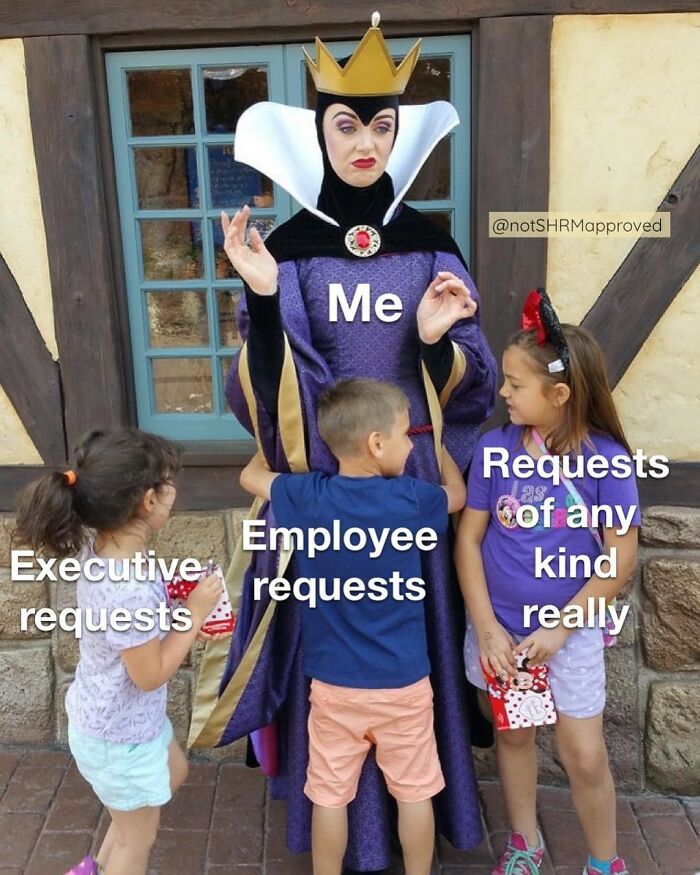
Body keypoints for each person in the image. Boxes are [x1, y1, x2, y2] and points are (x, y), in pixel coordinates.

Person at [191, 13, 497, 870]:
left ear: (399, 134)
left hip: (409, 471)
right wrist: (261, 302)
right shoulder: (288, 250)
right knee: (340, 663)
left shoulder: (431, 243)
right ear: (321, 131)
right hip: (326, 476)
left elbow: (473, 371)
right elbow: (261, 389)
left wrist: (435, 343)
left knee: (410, 657)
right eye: (347, 125)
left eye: (381, 126)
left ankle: (408, 814)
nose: (365, 143)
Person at [239, 378, 466, 875]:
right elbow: (457, 495)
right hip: (404, 683)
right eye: (406, 434)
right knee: (414, 792)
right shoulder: (410, 499)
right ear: (377, 444)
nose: (412, 444)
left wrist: (279, 438)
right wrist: (441, 446)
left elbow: (251, 476)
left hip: (333, 685)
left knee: (329, 795)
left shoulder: (308, 497)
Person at [455, 290, 639, 875]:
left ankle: (604, 862)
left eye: (515, 384)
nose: (503, 393)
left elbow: (619, 560)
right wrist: (486, 628)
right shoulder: (493, 450)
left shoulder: (607, 461)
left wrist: (561, 629)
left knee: (583, 754)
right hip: (503, 635)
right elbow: (469, 540)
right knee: (513, 737)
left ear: (559, 395)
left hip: (570, 636)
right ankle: (524, 843)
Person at [13, 428, 224, 875]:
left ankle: (94, 869)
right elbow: (149, 675)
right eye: (168, 483)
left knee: (172, 773)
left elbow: (129, 629)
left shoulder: (106, 549)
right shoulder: (127, 586)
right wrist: (193, 616)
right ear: (148, 501)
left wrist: (176, 613)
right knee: (136, 839)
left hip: (120, 720)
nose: (174, 491)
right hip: (119, 737)